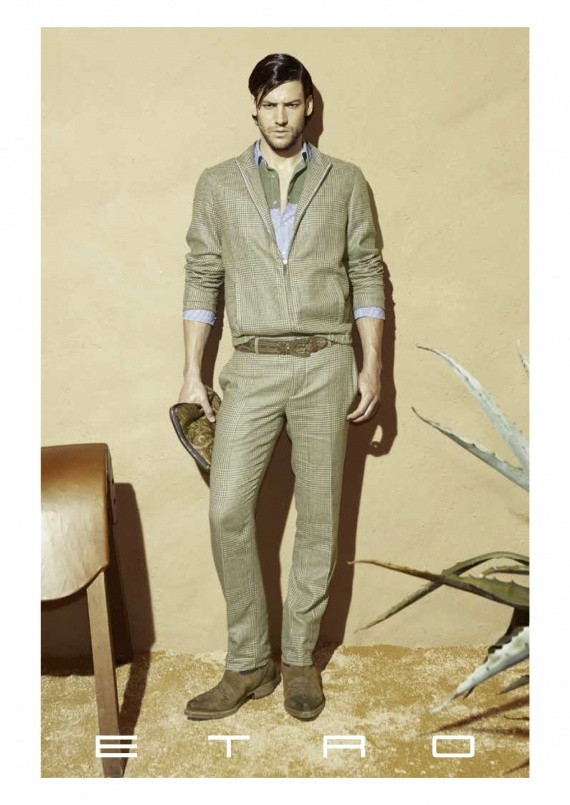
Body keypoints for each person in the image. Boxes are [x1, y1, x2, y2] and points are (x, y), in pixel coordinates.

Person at [178, 53, 385, 721]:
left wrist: (374, 367)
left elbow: (368, 272)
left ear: (308, 106)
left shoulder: (345, 181)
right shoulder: (220, 183)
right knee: (227, 509)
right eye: (270, 106)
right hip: (253, 366)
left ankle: (298, 658)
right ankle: (248, 662)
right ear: (254, 108)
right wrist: (193, 373)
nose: (281, 117)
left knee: (320, 517)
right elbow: (202, 277)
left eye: (292, 104)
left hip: (327, 363)